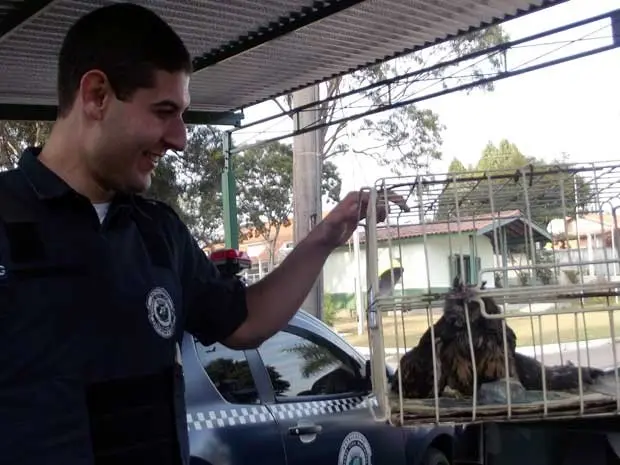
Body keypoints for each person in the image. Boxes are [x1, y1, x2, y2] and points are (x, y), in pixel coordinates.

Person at [0, 3, 388, 465]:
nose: (180, 138)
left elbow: (246, 323)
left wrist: (325, 236)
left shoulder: (158, 233)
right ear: (97, 95)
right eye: (164, 111)